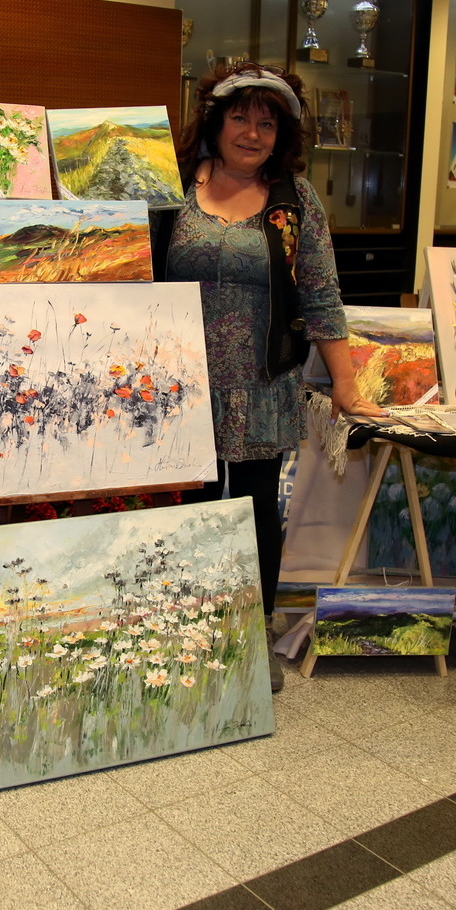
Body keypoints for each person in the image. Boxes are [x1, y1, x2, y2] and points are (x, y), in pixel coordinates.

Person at [158, 62, 384, 691]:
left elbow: (321, 293)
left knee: (256, 507)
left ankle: (249, 635)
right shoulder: (170, 188)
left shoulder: (294, 201)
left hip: (261, 381)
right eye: (240, 118)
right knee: (188, 504)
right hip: (175, 383)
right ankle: (179, 629)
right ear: (214, 121)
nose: (252, 134)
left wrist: (345, 384)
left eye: (266, 123)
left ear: (281, 134)